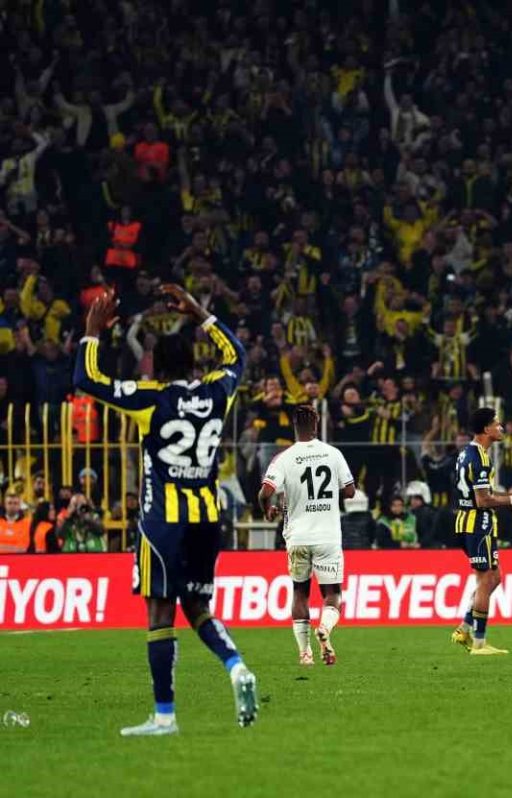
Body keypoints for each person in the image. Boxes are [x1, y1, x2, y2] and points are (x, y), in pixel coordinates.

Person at [74, 285, 258, 735]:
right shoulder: (217, 393)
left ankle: (164, 716)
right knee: (198, 607)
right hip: (206, 520)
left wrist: (92, 333)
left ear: (156, 366)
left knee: (160, 614)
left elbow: (87, 380)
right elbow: (237, 356)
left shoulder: (150, 398)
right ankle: (236, 666)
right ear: (195, 364)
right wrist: (199, 312)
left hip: (163, 523)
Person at [258, 404, 357, 666]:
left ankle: (305, 653)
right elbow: (350, 491)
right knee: (332, 594)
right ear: (316, 424)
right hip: (328, 536)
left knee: (300, 592)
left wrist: (268, 510)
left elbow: (265, 493)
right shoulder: (333, 454)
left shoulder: (284, 458)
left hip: (297, 537)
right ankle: (324, 627)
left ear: (294, 426)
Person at [449, 407, 512, 656]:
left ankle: (464, 628)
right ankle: (479, 643)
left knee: (495, 578)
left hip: (470, 521)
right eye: (496, 424)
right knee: (485, 580)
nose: (501, 427)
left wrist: (510, 495)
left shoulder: (467, 453)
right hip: (477, 523)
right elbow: (483, 500)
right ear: (486, 429)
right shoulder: (481, 459)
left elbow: (482, 493)